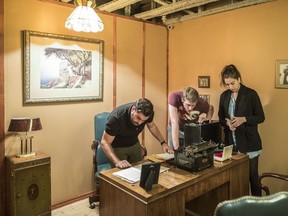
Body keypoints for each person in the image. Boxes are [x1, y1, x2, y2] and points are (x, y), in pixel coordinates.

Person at [218, 64, 265, 196]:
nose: (230, 87)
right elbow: (221, 118)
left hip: (249, 143)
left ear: (239, 78)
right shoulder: (224, 96)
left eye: (232, 83)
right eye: (227, 84)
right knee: (235, 179)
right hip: (231, 145)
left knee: (253, 179)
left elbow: (261, 117)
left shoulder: (251, 94)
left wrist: (244, 119)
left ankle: (258, 208)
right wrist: (227, 122)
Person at [101, 98, 173, 169]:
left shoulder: (148, 114)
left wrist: (163, 142)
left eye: (143, 120)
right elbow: (105, 142)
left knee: (139, 170)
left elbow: (152, 126)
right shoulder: (116, 118)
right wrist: (117, 162)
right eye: (138, 118)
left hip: (134, 144)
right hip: (117, 147)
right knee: (121, 174)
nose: (140, 123)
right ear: (133, 109)